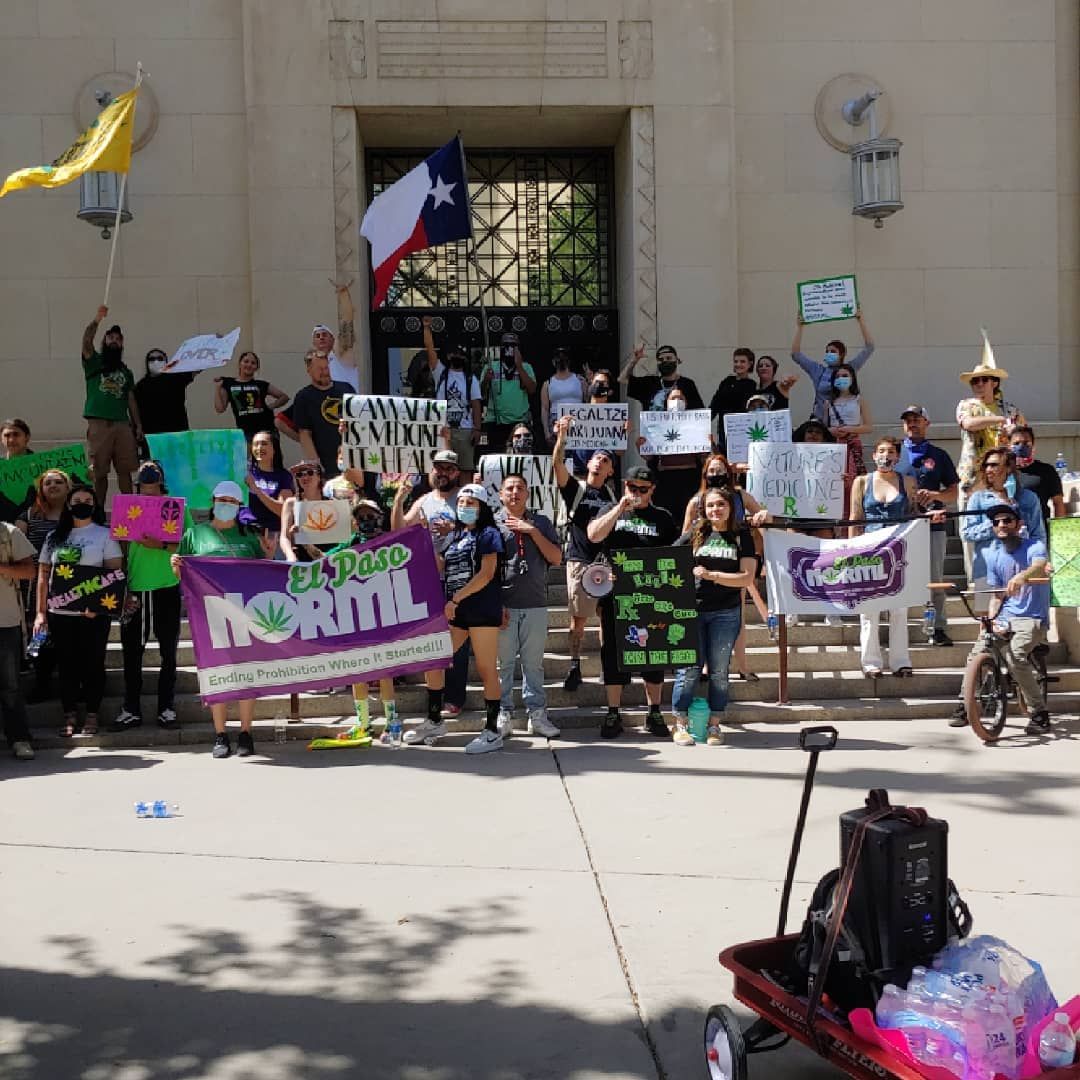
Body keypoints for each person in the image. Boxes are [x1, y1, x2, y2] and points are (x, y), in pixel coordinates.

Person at [172, 481, 275, 758]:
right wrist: (176, 569)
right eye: (222, 499)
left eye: (232, 500)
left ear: (239, 506)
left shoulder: (249, 537)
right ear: (213, 500)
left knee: (246, 672)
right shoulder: (195, 535)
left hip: (246, 613)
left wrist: (267, 555)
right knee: (217, 672)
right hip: (210, 614)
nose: (226, 504)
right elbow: (185, 574)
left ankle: (245, 734)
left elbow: (263, 573)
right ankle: (220, 734)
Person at [403, 484, 506, 754]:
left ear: (482, 506)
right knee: (434, 659)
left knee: (486, 669)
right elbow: (443, 566)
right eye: (461, 502)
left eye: (470, 503)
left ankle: (492, 730)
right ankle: (435, 720)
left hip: (482, 610)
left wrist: (456, 598)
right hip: (457, 612)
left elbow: (486, 574)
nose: (464, 507)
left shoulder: (489, 533)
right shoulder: (458, 535)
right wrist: (424, 537)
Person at [586, 464, 677, 739]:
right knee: (613, 654)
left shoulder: (662, 518)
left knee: (652, 652)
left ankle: (654, 711)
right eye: (631, 487)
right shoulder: (610, 511)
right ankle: (613, 711)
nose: (636, 493)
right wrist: (618, 509)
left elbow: (673, 554)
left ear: (652, 491)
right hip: (616, 594)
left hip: (650, 595)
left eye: (642, 489)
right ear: (624, 486)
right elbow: (593, 535)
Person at [949, 503, 1052, 735]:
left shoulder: (1034, 545)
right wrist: (990, 620)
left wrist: (1022, 576)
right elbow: (997, 596)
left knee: (1014, 657)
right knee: (977, 653)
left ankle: (1039, 713)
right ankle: (966, 706)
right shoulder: (994, 556)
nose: (1001, 525)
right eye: (996, 522)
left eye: (1007, 520)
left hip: (1032, 617)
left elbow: (1039, 566)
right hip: (1006, 616)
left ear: (1019, 524)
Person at [670, 487, 761, 746]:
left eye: (720, 504)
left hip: (726, 612)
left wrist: (712, 576)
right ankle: (680, 723)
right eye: (710, 506)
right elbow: (667, 557)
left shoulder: (742, 535)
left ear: (731, 506)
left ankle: (714, 726)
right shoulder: (698, 531)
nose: (715, 510)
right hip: (693, 609)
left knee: (719, 671)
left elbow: (747, 577)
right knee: (688, 669)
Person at [34, 485, 122, 737]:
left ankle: (92, 715)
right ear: (68, 505)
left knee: (94, 664)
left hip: (93, 615)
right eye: (76, 499)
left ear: (94, 505)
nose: (81, 503)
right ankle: (69, 715)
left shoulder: (105, 535)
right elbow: (43, 575)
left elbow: (114, 572)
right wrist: (41, 613)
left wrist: (96, 606)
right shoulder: (54, 537)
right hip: (60, 614)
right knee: (67, 666)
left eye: (86, 499)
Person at [109, 461, 186, 732]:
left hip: (166, 586)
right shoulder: (126, 507)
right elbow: (118, 545)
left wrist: (160, 545)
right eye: (143, 470)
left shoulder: (175, 507)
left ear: (162, 478)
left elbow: (183, 544)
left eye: (153, 470)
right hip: (136, 588)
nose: (148, 473)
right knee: (132, 653)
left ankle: (167, 707)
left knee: (169, 653)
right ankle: (131, 709)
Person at [682, 453, 769, 681]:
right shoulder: (696, 500)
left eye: (720, 470)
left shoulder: (740, 495)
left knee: (737, 618)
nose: (716, 474)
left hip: (736, 563)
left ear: (728, 472)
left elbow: (762, 517)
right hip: (704, 568)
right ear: (704, 474)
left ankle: (742, 665)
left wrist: (763, 515)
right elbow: (684, 538)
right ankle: (704, 667)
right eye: (711, 471)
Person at [552, 414, 617, 692]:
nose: (600, 461)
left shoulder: (612, 497)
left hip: (604, 563)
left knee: (606, 616)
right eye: (597, 458)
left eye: (606, 459)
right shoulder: (575, 489)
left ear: (611, 470)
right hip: (579, 561)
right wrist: (561, 437)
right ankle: (574, 665)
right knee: (577, 619)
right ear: (588, 463)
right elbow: (556, 464)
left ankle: (606, 665)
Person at [495, 473, 563, 739]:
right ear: (500, 494)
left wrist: (532, 531)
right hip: (504, 605)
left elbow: (556, 558)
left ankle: (537, 714)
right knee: (505, 664)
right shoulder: (492, 523)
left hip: (535, 603)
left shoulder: (541, 522)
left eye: (520, 488)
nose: (515, 492)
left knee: (533, 665)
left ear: (527, 494)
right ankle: (504, 713)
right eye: (509, 488)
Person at [848, 439, 921, 679]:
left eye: (890, 451)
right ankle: (871, 662)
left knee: (899, 608)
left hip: (899, 548)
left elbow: (912, 513)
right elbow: (855, 516)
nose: (885, 455)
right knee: (870, 609)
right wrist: (852, 551)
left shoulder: (907, 482)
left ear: (898, 457)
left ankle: (901, 661)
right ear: (874, 454)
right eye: (881, 450)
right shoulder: (861, 482)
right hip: (870, 548)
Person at [896, 405, 959, 646]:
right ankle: (895, 627)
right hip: (900, 526)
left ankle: (937, 627)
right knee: (896, 575)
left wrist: (935, 496)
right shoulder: (893, 452)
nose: (912, 423)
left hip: (932, 524)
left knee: (935, 579)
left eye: (917, 419)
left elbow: (953, 492)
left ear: (927, 423)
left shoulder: (939, 455)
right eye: (908, 419)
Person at [961, 449, 1044, 613]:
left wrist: (1040, 561)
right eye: (986, 465)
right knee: (987, 621)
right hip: (987, 566)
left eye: (994, 465)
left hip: (1020, 567)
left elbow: (1037, 533)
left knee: (1021, 617)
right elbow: (967, 533)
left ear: (1008, 468)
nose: (988, 469)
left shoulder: (1028, 498)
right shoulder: (978, 498)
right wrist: (998, 524)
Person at [80, 305, 142, 504]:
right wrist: (97, 320)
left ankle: (131, 511)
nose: (114, 341)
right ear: (104, 341)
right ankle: (97, 511)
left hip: (122, 425)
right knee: (99, 471)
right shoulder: (94, 362)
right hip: (99, 424)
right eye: (110, 338)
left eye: (118, 339)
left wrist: (138, 424)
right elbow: (86, 342)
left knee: (125, 471)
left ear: (122, 344)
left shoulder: (126, 372)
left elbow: (130, 399)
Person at [955, 352, 1025, 503]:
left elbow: (1023, 436)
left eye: (984, 380)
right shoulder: (966, 405)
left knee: (1005, 518)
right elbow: (968, 424)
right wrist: (1000, 419)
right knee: (971, 520)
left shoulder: (1010, 410)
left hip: (1004, 475)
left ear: (994, 383)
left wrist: (1013, 432)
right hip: (974, 474)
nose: (979, 384)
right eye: (975, 381)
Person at [637, 384, 706, 529]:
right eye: (673, 398)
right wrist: (641, 446)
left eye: (680, 398)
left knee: (688, 518)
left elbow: (703, 457)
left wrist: (708, 442)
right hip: (664, 481)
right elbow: (649, 457)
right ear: (666, 402)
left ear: (686, 403)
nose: (677, 401)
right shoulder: (655, 425)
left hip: (690, 479)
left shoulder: (696, 424)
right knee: (666, 518)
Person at [790, 305, 874, 422]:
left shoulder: (849, 369)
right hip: (820, 422)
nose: (829, 353)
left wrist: (860, 321)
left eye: (833, 351)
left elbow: (869, 347)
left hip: (843, 424)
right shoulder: (818, 370)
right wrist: (800, 327)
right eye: (827, 351)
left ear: (842, 354)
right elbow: (796, 354)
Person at [420, 316, 483, 470]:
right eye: (454, 353)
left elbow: (476, 405)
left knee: (465, 469)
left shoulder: (470, 379)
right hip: (444, 429)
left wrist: (477, 429)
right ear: (448, 356)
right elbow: (429, 349)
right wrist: (427, 328)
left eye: (460, 354)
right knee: (444, 469)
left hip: (465, 431)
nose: (457, 356)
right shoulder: (440, 373)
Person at [0, 517, 37, 759]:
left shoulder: (8, 532)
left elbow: (29, 571)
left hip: (5, 619)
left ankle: (19, 739)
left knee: (10, 686)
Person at [292, 349, 353, 478]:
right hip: (326, 467)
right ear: (309, 369)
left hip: (351, 464)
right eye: (320, 369)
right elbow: (304, 434)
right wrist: (316, 467)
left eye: (326, 367)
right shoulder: (303, 397)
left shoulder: (346, 389)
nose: (325, 372)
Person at [214, 351, 290, 444]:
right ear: (239, 364)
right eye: (246, 361)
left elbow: (284, 397)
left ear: (256, 368)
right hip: (246, 432)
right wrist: (217, 388)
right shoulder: (229, 383)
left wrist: (271, 406)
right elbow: (220, 408)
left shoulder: (261, 384)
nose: (249, 365)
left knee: (269, 458)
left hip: (266, 429)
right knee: (249, 459)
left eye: (253, 363)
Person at [481, 332, 537, 451]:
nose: (509, 349)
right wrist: (486, 380)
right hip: (496, 420)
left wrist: (519, 366)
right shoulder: (491, 367)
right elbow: (481, 394)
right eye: (506, 346)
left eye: (513, 346)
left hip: (519, 421)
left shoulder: (526, 367)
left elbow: (532, 390)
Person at [241, 430, 293, 552]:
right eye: (255, 444)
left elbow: (282, 510)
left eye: (264, 443)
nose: (259, 448)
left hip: (272, 535)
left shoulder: (283, 476)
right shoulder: (243, 472)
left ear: (274, 449)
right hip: (245, 532)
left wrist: (256, 489)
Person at [619, 342, 704, 412]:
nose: (665, 361)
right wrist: (635, 359)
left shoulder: (688, 384)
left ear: (677, 360)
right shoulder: (649, 383)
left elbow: (700, 413)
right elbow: (622, 379)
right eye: (661, 359)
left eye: (669, 358)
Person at [1009, 425, 1065, 531]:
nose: (1021, 446)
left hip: (1039, 531)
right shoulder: (1004, 472)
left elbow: (1058, 503)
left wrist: (1059, 531)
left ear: (1033, 445)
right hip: (1010, 533)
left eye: (1026, 443)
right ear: (1009, 446)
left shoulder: (1047, 471)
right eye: (1016, 443)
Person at [824, 362, 871, 483]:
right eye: (838, 376)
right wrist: (832, 431)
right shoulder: (828, 402)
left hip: (852, 443)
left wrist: (849, 429)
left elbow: (868, 427)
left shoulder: (859, 399)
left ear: (852, 378)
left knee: (853, 478)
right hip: (834, 444)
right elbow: (824, 428)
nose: (841, 379)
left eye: (845, 375)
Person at [134, 348, 196, 436]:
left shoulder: (176, 378)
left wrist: (214, 343)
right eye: (152, 359)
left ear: (166, 361)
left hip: (177, 433)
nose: (156, 361)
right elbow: (135, 411)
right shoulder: (141, 386)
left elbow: (197, 367)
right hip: (152, 436)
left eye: (160, 359)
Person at [279, 460, 331, 563]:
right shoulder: (291, 503)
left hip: (330, 559)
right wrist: (290, 556)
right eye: (299, 474)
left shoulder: (333, 504)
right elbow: (284, 537)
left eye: (310, 473)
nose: (305, 477)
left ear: (319, 477)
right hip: (303, 562)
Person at [709, 348, 758, 452]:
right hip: (724, 429)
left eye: (742, 361)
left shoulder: (752, 385)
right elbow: (715, 404)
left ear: (750, 364)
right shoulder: (726, 381)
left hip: (742, 430)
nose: (738, 364)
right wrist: (704, 421)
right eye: (736, 361)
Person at [540, 347, 587, 449]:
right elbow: (544, 409)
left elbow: (588, 401)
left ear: (568, 361)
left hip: (578, 423)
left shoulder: (580, 380)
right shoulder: (548, 383)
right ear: (553, 362)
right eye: (558, 358)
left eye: (563, 357)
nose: (560, 360)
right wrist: (547, 433)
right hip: (556, 424)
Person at [316, 280, 359, 391]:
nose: (321, 337)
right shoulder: (317, 365)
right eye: (317, 336)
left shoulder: (341, 353)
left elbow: (347, 323)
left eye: (325, 334)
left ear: (333, 339)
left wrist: (344, 296)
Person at [0, 418, 35, 522]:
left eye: (16, 435)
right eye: (7, 435)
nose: (11, 439)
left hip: (34, 526)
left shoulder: (42, 465)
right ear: (1, 439)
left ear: (27, 437)